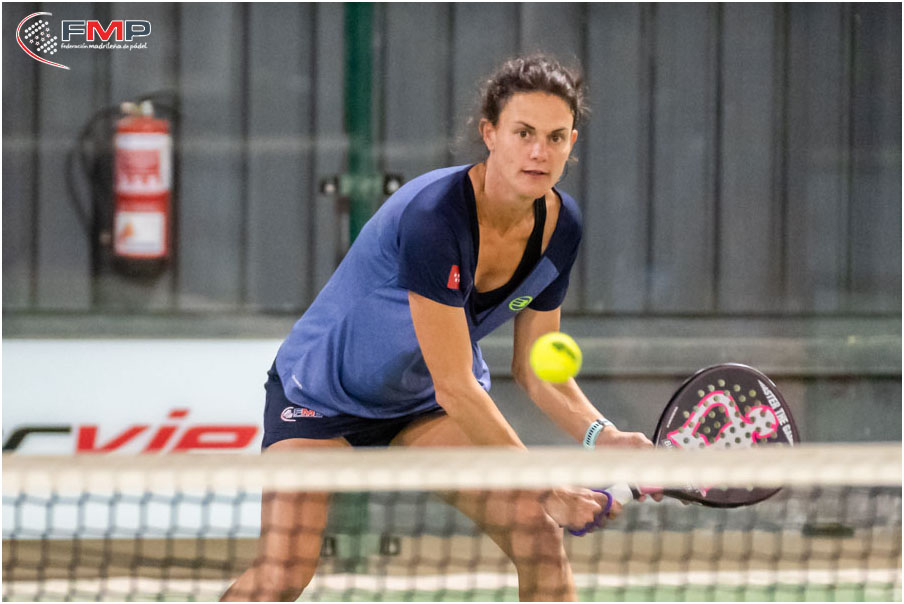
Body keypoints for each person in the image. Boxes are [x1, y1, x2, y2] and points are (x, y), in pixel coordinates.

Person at [222, 55, 657, 602]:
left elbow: (537, 368)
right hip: (321, 398)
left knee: (539, 538)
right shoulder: (435, 219)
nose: (539, 152)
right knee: (283, 574)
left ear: (571, 143)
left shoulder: (561, 226)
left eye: (555, 137)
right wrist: (546, 485)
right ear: (490, 134)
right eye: (523, 133)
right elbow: (457, 385)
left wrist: (602, 435)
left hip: (421, 406)